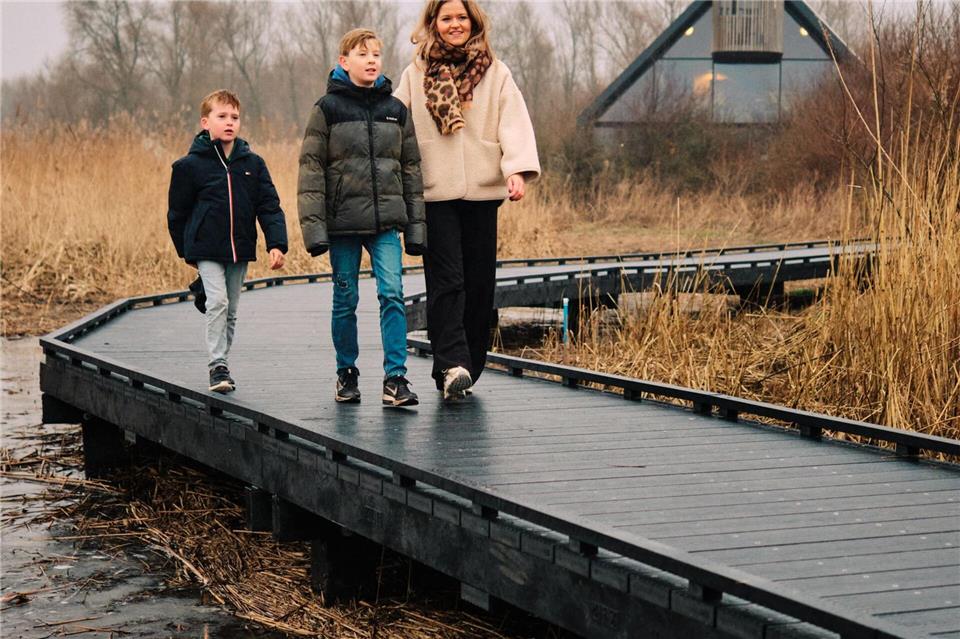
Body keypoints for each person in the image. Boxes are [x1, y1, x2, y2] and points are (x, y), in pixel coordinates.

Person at [395, 0, 540, 400]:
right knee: (447, 282)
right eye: (447, 18)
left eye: (461, 17)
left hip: (482, 189)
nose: (455, 24)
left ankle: (468, 366)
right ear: (433, 24)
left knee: (479, 285)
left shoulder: (495, 71)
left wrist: (516, 169)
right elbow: (395, 127)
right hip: (434, 192)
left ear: (473, 21)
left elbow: (513, 121)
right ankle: (450, 365)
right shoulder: (415, 73)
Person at [298, 28, 427, 408]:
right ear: (344, 62)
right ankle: (346, 372)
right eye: (362, 54)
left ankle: (396, 379)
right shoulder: (327, 109)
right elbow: (310, 171)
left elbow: (411, 170)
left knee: (393, 295)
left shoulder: (396, 110)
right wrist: (314, 229)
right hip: (342, 225)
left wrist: (417, 228)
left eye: (376, 54)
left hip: (386, 223)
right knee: (346, 299)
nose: (372, 60)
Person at [168, 89, 288, 393]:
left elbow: (269, 206)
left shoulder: (253, 164)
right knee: (218, 301)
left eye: (234, 117)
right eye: (222, 116)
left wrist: (276, 243)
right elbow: (177, 213)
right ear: (205, 122)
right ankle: (216, 365)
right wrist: (187, 251)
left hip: (240, 246)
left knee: (231, 309)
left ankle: (224, 365)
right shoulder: (189, 166)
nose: (229, 122)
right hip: (206, 248)